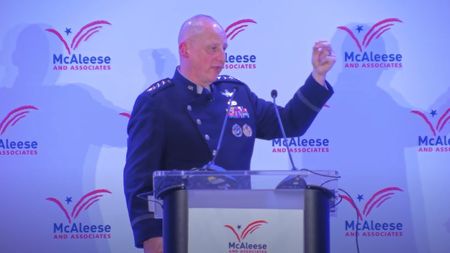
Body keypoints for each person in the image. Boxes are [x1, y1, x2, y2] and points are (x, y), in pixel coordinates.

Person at [124, 14, 336, 253]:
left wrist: (318, 77)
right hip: (182, 232)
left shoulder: (238, 94)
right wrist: (151, 236)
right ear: (185, 50)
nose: (222, 57)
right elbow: (139, 180)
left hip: (240, 232)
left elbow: (289, 123)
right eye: (213, 49)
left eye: (224, 49)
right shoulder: (156, 103)